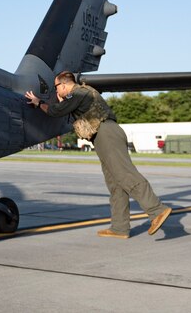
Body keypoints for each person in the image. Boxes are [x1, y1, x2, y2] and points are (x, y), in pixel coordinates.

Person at [25, 71, 172, 239]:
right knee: (115, 182)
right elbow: (66, 108)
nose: (56, 91)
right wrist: (62, 101)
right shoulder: (81, 94)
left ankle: (157, 210)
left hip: (106, 133)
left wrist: (38, 103)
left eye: (56, 87)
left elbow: (56, 111)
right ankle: (120, 227)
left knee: (125, 174)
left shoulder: (79, 92)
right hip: (103, 135)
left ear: (63, 85)